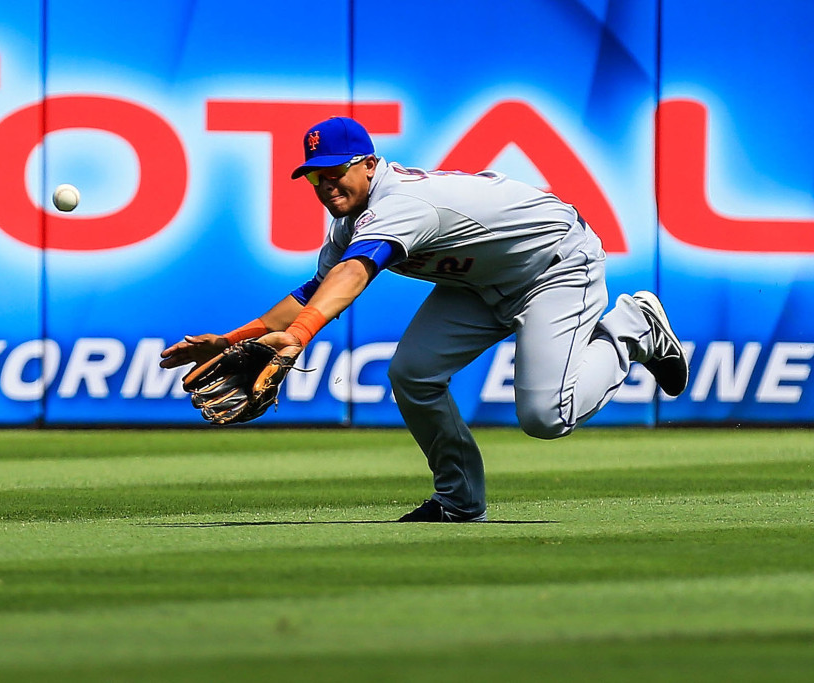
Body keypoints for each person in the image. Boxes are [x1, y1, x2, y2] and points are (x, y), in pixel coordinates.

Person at [160, 116, 688, 523]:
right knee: (412, 373)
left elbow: (355, 274)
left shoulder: (402, 202)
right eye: (315, 178)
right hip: (481, 284)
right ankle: (459, 500)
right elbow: (316, 291)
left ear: (369, 163)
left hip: (554, 267)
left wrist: (300, 335)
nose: (325, 186)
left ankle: (630, 330)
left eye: (336, 173)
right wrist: (232, 338)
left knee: (546, 417)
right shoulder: (352, 218)